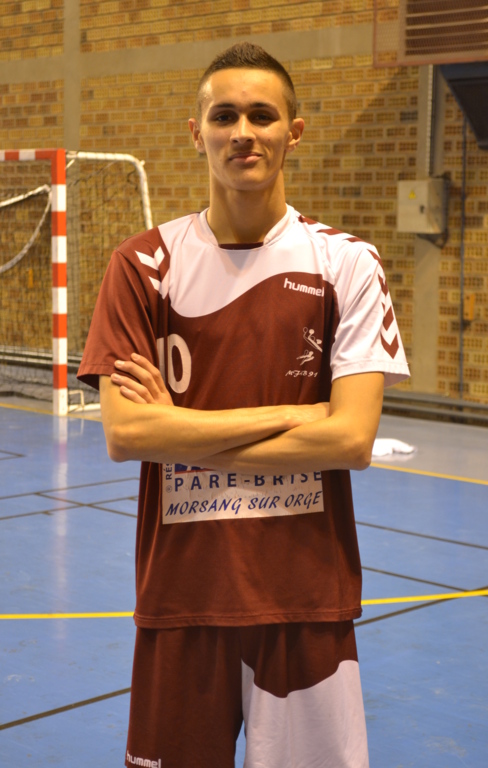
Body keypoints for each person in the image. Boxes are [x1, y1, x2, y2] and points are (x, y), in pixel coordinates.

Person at [78, 42, 409, 768]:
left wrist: (179, 427)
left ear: (295, 131)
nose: (242, 132)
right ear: (196, 133)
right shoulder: (141, 267)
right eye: (224, 116)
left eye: (262, 115)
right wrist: (299, 413)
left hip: (305, 597)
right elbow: (127, 434)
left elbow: (351, 441)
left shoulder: (347, 263)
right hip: (182, 593)